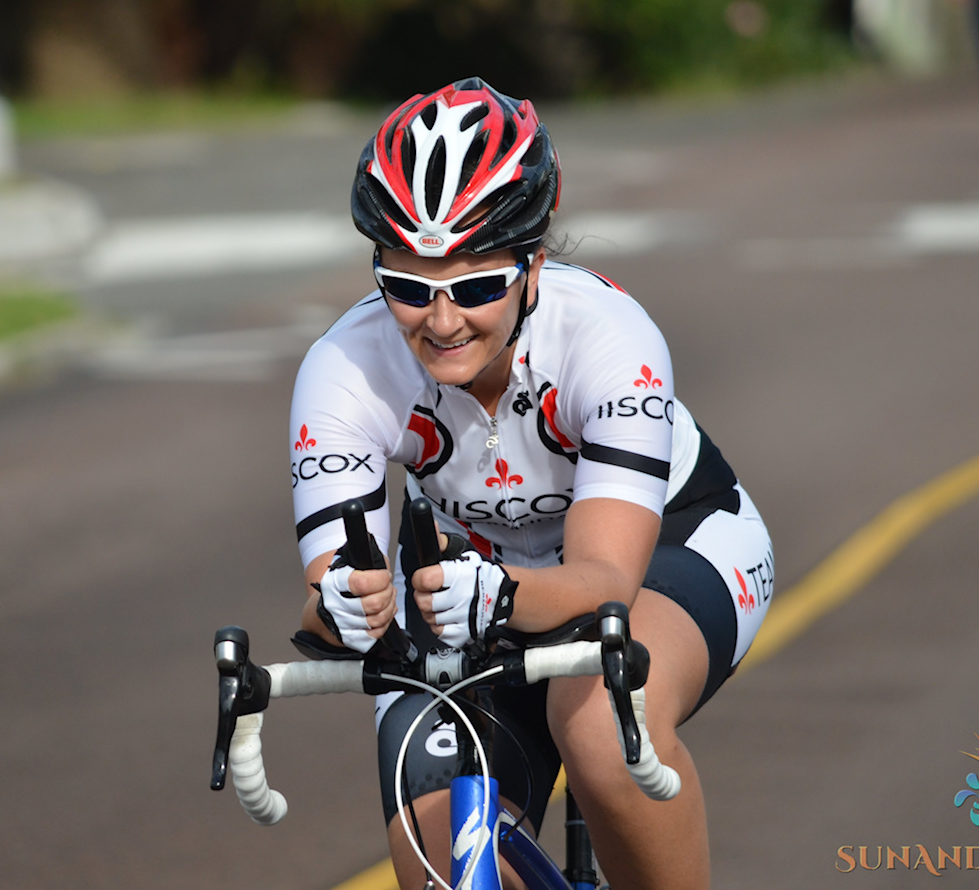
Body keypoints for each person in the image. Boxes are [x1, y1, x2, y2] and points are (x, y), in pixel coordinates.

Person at [288, 77, 774, 889]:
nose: (441, 323)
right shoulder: (343, 368)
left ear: (533, 266)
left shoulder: (609, 339)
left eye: (476, 287)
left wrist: (501, 596)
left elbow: (603, 583)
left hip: (673, 546)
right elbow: (327, 595)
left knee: (603, 722)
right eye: (407, 287)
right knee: (434, 834)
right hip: (464, 584)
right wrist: (345, 603)